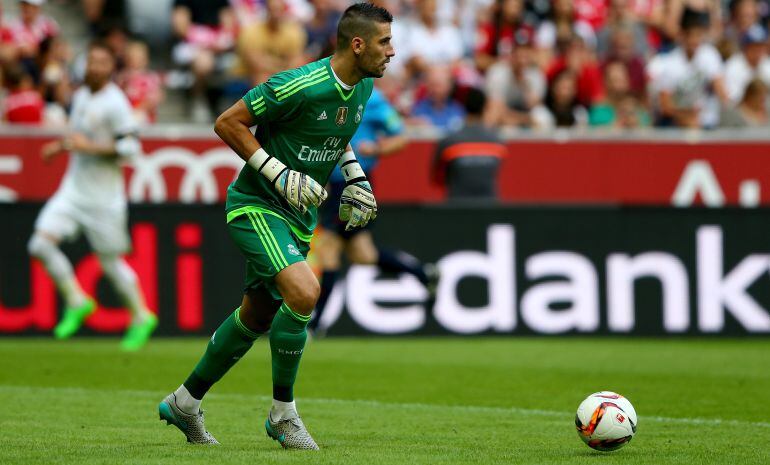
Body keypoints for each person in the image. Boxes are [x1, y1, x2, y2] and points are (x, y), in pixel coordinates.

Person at [158, 3, 394, 449]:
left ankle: (184, 402)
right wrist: (277, 172)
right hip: (256, 205)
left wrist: (356, 176)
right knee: (305, 291)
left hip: (298, 217)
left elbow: (336, 138)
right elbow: (228, 123)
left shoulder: (361, 87)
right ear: (357, 44)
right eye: (384, 42)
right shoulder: (300, 84)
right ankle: (283, 415)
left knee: (256, 315)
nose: (392, 51)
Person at [26, 41, 157, 350]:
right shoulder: (82, 94)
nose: (95, 67)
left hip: (104, 200)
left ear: (111, 68)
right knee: (39, 244)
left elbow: (130, 149)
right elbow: (79, 135)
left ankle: (141, 316)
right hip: (72, 191)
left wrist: (90, 148)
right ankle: (76, 300)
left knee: (110, 263)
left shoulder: (116, 104)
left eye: (102, 62)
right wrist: (60, 146)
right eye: (91, 61)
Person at [310, 87, 437, 336]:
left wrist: (377, 150)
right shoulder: (327, 93)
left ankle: (314, 326)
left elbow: (400, 137)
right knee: (363, 255)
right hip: (335, 184)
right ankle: (423, 273)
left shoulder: (372, 98)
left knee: (328, 250)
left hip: (356, 183)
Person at [432, 88, 507, 200]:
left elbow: (437, 179)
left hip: (457, 209)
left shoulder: (448, 142)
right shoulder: (498, 143)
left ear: (464, 108)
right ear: (484, 109)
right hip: (489, 208)